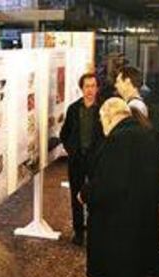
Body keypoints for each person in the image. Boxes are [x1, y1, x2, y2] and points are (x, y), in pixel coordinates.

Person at [80, 97, 159, 277]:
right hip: (140, 225)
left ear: (108, 117)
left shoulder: (117, 141)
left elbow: (108, 187)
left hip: (115, 229)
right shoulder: (145, 135)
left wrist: (85, 194)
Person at [60, 72, 104, 246]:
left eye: (93, 86)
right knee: (75, 195)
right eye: (87, 86)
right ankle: (78, 231)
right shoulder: (73, 109)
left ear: (97, 88)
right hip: (77, 160)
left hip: (95, 161)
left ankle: (95, 229)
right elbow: (64, 134)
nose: (90, 90)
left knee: (95, 194)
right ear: (81, 88)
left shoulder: (102, 109)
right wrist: (71, 150)